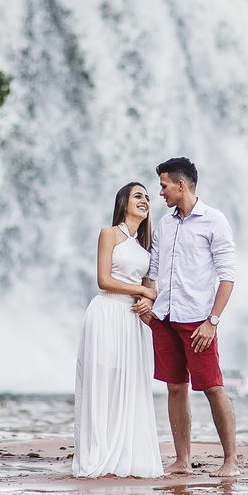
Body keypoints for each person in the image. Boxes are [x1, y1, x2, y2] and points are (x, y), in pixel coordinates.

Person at [133, 157, 240, 477]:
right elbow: (152, 272)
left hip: (197, 321)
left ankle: (231, 460)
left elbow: (227, 275)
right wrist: (146, 307)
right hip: (163, 318)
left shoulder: (214, 221)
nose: (160, 192)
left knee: (212, 386)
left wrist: (213, 321)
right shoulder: (164, 225)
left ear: (181, 185)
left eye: (163, 186)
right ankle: (182, 460)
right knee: (175, 387)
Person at [72, 182, 165, 478]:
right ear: (123, 201)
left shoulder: (143, 247)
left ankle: (126, 452)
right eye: (138, 196)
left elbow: (150, 287)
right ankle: (98, 452)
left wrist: (146, 298)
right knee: (102, 378)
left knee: (129, 381)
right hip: (107, 312)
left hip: (132, 319)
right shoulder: (109, 233)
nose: (145, 201)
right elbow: (104, 279)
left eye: (148, 198)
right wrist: (142, 291)